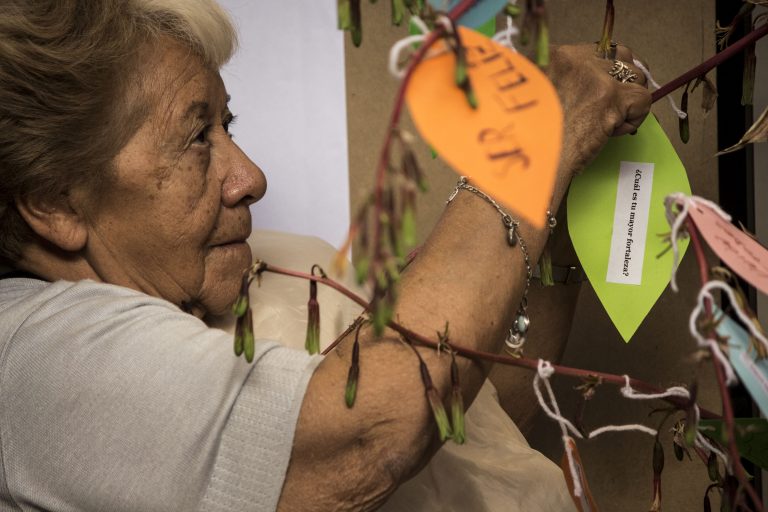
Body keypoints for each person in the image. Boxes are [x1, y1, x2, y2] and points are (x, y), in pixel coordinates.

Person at [0, 1, 651, 511]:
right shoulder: (37, 358)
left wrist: (555, 227)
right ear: (56, 202)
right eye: (197, 135)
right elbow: (376, 432)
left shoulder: (273, 266)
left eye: (230, 126)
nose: (250, 177)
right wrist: (533, 150)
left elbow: (471, 430)